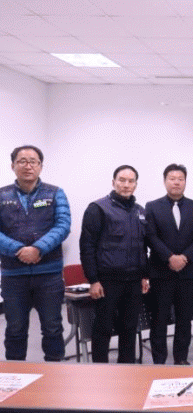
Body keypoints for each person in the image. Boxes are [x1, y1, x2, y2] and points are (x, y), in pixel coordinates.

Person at [0, 145, 71, 361]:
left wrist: (38, 248)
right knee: (15, 329)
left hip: (49, 275)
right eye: (22, 161)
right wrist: (18, 250)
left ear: (40, 166)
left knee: (52, 328)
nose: (28, 166)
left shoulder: (55, 193)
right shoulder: (2, 195)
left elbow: (63, 225)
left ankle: (55, 371)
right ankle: (15, 374)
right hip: (13, 275)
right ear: (13, 166)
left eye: (33, 161)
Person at [80, 165, 150, 363]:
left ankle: (126, 367)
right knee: (103, 327)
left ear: (136, 185)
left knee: (129, 327)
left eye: (130, 181)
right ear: (113, 182)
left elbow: (143, 247)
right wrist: (93, 280)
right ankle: (100, 370)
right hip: (107, 280)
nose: (126, 185)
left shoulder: (140, 211)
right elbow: (87, 247)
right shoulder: (98, 208)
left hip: (134, 280)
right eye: (122, 180)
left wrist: (144, 275)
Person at [144, 164, 193, 365]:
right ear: (165, 181)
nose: (176, 182)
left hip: (188, 273)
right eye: (172, 178)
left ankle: (181, 359)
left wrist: (185, 257)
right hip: (161, 272)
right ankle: (159, 360)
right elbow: (150, 236)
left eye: (180, 179)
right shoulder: (152, 206)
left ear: (185, 182)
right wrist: (169, 257)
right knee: (159, 319)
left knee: (184, 319)